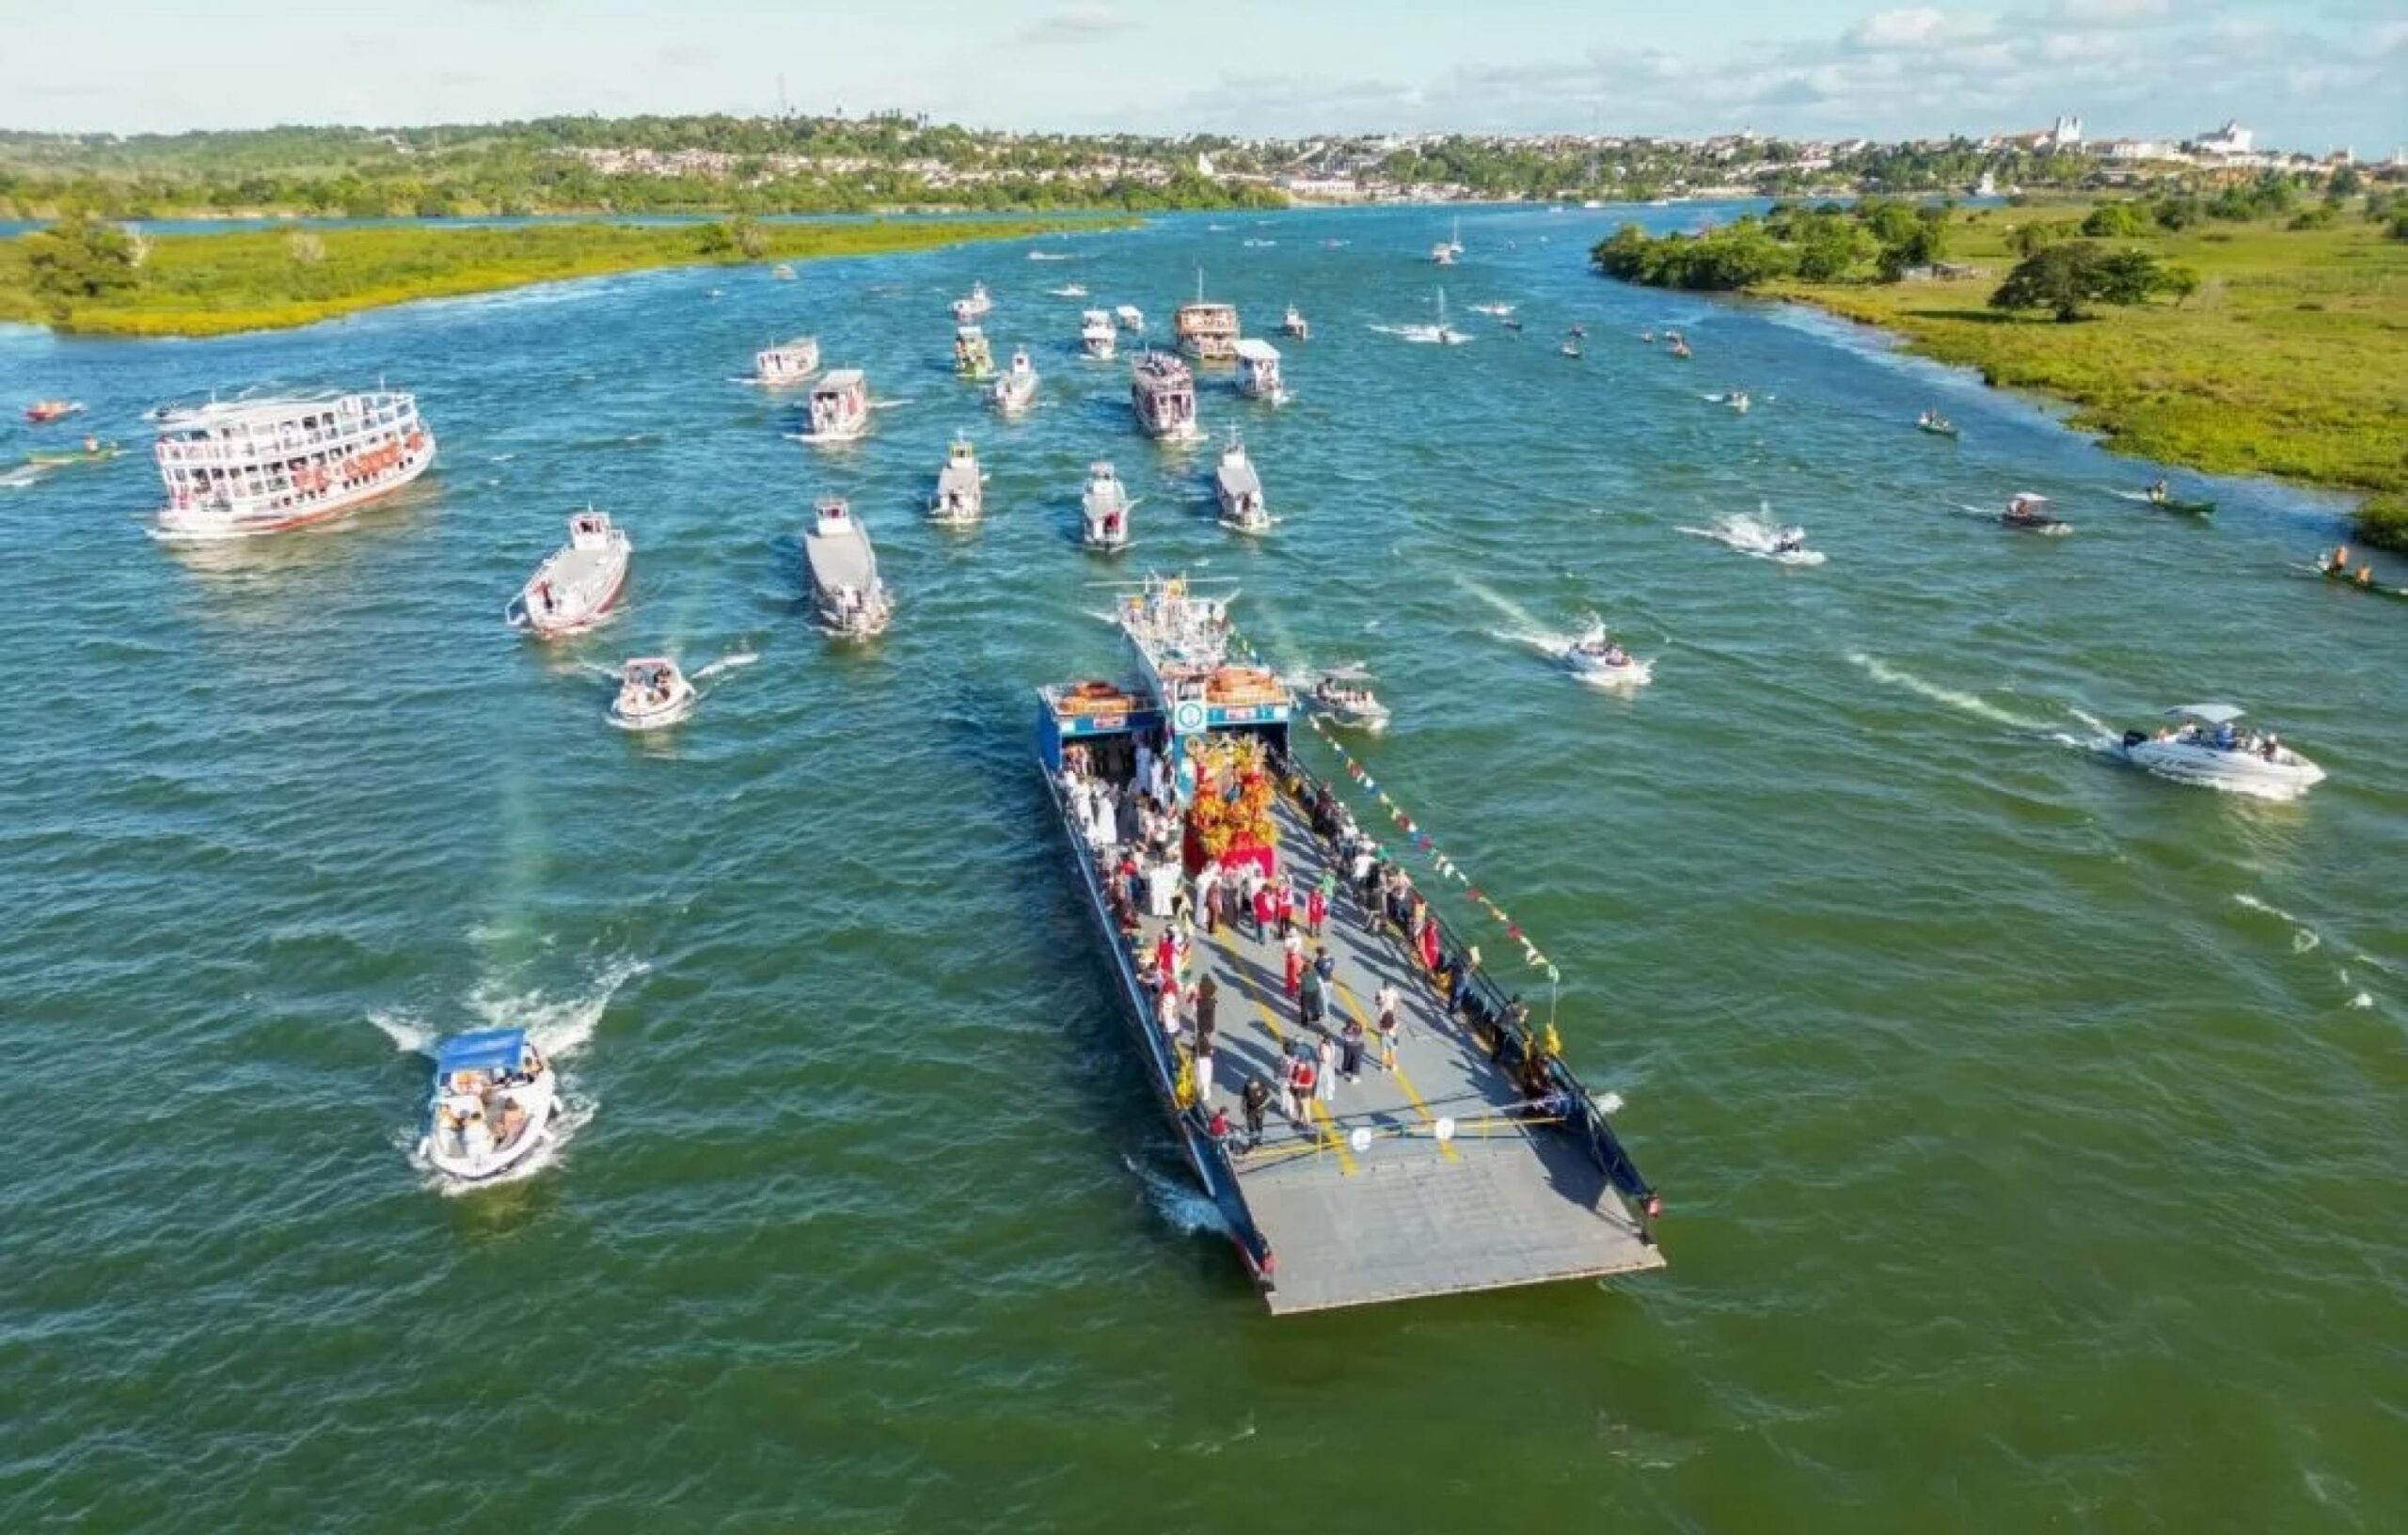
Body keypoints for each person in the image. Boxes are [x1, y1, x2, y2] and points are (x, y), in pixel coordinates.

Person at [1339, 1016, 1367, 1082]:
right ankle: (1354, 1077)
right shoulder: (1358, 1032)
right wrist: (1361, 1028)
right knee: (1355, 1062)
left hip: (1347, 1047)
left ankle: (1344, 1071)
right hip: (1357, 1048)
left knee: (1347, 1060)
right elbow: (1361, 1038)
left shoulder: (1344, 1030)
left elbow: (1343, 1038)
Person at [1193, 1033, 1217, 1105]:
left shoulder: (1197, 1043)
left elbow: (1194, 1050)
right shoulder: (1208, 1044)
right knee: (1207, 1078)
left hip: (1199, 1060)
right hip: (1207, 1060)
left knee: (1200, 1077)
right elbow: (1211, 1051)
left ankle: (1200, 1092)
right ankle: (1206, 1095)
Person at [1315, 1035, 1339, 1106]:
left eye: (1319, 1036)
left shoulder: (1323, 1046)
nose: (1318, 1037)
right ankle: (1329, 1095)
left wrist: (1319, 1057)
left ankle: (1319, 1094)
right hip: (1330, 1065)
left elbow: (1321, 1057)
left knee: (1321, 1079)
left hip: (1324, 1065)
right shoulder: (1332, 1044)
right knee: (1329, 1080)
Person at [1282, 933, 1304, 998]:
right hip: (1298, 957)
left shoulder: (1288, 940)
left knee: (1291, 976)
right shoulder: (1299, 939)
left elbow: (1285, 948)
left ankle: (1291, 991)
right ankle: (1295, 989)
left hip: (1292, 959)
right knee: (1296, 976)